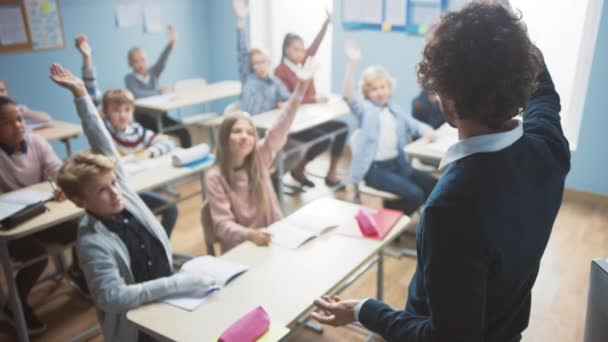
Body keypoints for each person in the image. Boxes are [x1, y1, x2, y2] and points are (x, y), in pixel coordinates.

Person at [311, 2, 570, 341]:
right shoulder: (548, 146)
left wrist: (366, 310)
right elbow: (545, 91)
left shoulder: (451, 208)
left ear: (443, 93)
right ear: (525, 74)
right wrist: (506, 24)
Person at [50, 63, 215, 342]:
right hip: (138, 327)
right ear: (80, 201)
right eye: (102, 190)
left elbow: (100, 140)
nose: (115, 192)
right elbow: (113, 297)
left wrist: (81, 94)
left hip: (169, 305)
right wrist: (174, 284)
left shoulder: (122, 192)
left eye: (114, 183)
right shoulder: (91, 242)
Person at [204, 57, 318, 252]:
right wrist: (250, 235)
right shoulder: (215, 177)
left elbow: (280, 127)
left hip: (274, 238)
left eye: (249, 133)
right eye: (237, 131)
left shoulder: (259, 157)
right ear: (224, 138)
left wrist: (300, 89)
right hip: (241, 247)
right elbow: (222, 226)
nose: (244, 137)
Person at [76, 35, 179, 237]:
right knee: (136, 221)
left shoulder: (136, 130)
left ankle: (158, 247)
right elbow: (90, 98)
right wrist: (87, 59)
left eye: (127, 110)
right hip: (118, 196)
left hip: (138, 188)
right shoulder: (104, 131)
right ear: (105, 112)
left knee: (171, 209)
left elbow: (167, 142)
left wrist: (147, 154)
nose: (122, 115)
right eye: (116, 110)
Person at [0, 96, 85, 335]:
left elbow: (58, 169)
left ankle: (77, 272)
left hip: (39, 212)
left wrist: (63, 185)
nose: (17, 125)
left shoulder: (36, 142)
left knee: (81, 229)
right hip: (9, 225)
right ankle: (14, 304)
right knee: (36, 255)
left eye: (19, 118)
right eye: (6, 122)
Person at [342, 41, 437, 215]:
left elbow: (414, 124)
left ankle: (404, 219)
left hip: (398, 164)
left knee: (433, 185)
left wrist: (426, 130)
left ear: (389, 88)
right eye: (373, 89)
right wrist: (352, 63)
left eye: (382, 87)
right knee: (415, 195)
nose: (379, 92)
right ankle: (386, 216)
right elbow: (348, 95)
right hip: (376, 170)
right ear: (366, 93)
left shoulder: (395, 111)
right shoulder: (366, 110)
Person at [274, 11, 347, 188]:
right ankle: (299, 169)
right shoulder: (280, 71)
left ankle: (331, 174)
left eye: (302, 48)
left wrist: (326, 23)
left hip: (310, 117)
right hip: (295, 121)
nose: (301, 52)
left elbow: (316, 44)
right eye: (296, 49)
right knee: (323, 140)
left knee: (342, 128)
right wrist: (313, 99)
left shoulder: (305, 62)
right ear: (286, 50)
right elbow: (290, 101)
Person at [124, 24, 192, 148]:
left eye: (142, 60)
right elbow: (137, 94)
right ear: (130, 64)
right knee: (158, 140)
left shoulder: (153, 73)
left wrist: (171, 44)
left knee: (184, 131)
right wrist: (160, 92)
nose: (140, 64)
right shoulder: (130, 79)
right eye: (136, 61)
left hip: (161, 116)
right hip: (145, 120)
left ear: (147, 60)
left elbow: (163, 60)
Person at [232, 0, 291, 115]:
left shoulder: (274, 82)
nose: (259, 65)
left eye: (262, 61)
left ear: (268, 62)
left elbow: (289, 98)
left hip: (266, 125)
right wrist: (241, 22)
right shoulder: (248, 77)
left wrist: (285, 104)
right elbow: (242, 51)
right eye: (255, 63)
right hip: (249, 126)